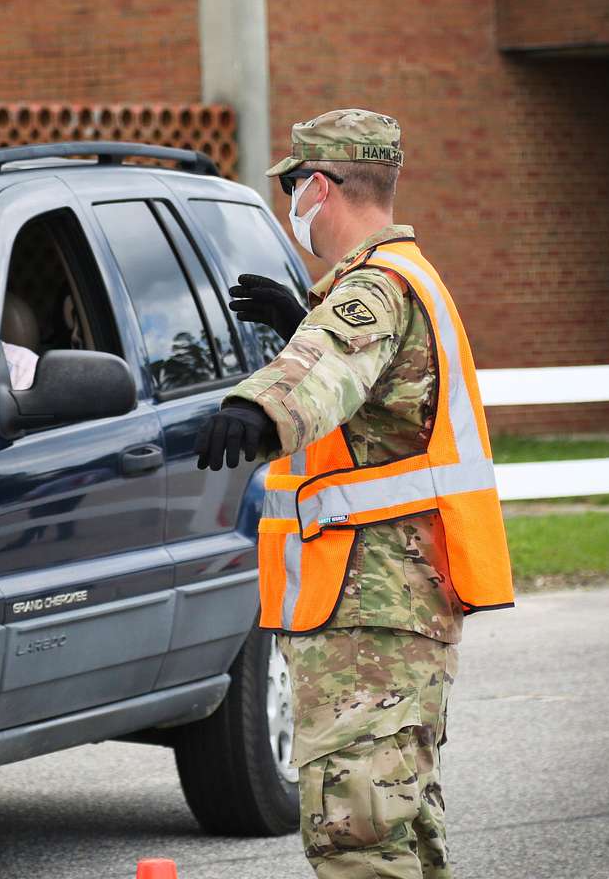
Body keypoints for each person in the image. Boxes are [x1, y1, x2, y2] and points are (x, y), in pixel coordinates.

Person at [194, 109, 514, 878]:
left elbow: (330, 366)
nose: (292, 205)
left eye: (293, 188)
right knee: (400, 827)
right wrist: (302, 316)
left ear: (318, 186)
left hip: (371, 603)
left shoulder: (373, 288)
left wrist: (255, 405)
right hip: (402, 597)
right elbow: (380, 394)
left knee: (360, 836)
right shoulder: (406, 280)